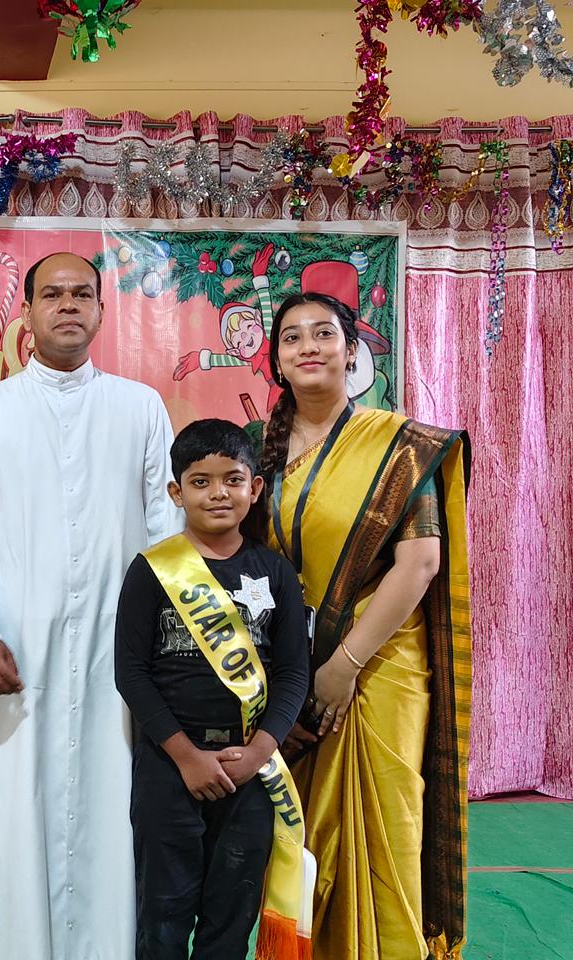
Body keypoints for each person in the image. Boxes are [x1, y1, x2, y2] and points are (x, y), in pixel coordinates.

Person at [0, 252, 182, 960]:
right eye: (53, 294)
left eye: (82, 294)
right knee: (9, 809)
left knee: (111, 804)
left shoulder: (139, 407)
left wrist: (164, 642)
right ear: (27, 311)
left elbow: (167, 532)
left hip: (119, 649)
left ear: (102, 311)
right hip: (13, 649)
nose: (68, 305)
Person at [249, 292, 472, 959]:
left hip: (380, 668)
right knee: (299, 844)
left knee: (385, 836)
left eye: (324, 334)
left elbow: (421, 561)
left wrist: (344, 665)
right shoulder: (263, 452)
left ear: (353, 352)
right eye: (293, 338)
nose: (309, 347)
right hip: (293, 677)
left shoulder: (399, 447)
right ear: (278, 360)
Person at [116, 419, 311, 960]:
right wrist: (184, 757)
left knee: (232, 918)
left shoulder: (275, 573)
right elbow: (130, 673)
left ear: (255, 488)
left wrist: (259, 751)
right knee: (163, 914)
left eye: (232, 479)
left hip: (249, 769)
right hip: (169, 768)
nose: (218, 493)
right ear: (177, 492)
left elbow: (295, 673)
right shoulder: (151, 572)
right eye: (200, 482)